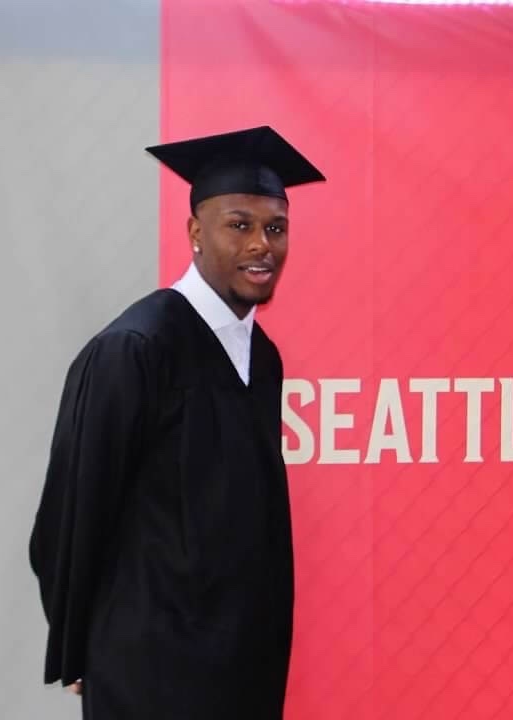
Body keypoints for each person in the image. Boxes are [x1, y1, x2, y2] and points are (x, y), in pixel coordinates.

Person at [28, 125, 326, 720]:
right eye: (238, 224)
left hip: (241, 660)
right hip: (151, 664)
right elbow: (71, 509)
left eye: (276, 228)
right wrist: (82, 643)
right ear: (195, 231)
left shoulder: (260, 358)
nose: (261, 245)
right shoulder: (137, 347)